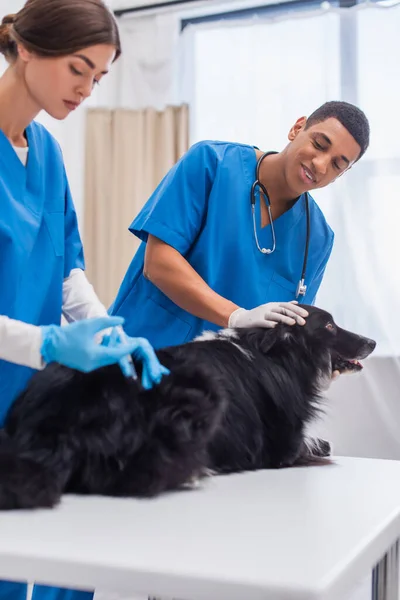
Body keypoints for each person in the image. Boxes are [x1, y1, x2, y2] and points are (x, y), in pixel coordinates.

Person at [0, 1, 168, 600]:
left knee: (59, 567)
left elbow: (65, 265)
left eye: (98, 78)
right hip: (18, 372)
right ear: (24, 47)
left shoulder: (45, 152)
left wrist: (106, 329)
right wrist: (41, 342)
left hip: (38, 401)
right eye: (78, 69)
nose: (87, 90)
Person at [111, 101, 370, 348]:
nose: (321, 164)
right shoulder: (211, 163)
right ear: (297, 128)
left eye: (337, 164)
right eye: (319, 144)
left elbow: (292, 328)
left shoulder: (318, 239)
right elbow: (158, 263)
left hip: (222, 386)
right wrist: (235, 317)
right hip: (140, 358)